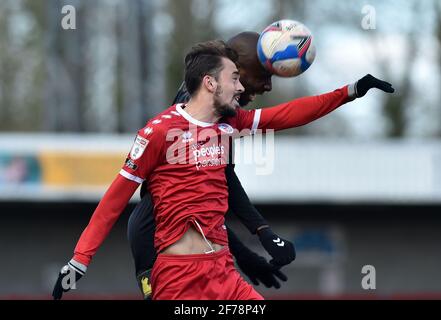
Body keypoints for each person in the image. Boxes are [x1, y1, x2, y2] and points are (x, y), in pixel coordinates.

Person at [54, 40, 393, 300]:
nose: (242, 87)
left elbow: (292, 113)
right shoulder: (157, 132)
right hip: (179, 278)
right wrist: (79, 260)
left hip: (225, 274)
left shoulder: (232, 124)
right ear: (210, 83)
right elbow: (114, 199)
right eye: (235, 78)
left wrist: (350, 91)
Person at [52, 32, 296, 301]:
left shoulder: (223, 115)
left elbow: (214, 192)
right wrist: (80, 259)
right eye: (263, 75)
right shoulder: (187, 114)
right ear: (227, 76)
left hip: (210, 262)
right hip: (154, 243)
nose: (268, 86)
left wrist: (255, 240)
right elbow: (198, 194)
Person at [129, 32, 294, 300]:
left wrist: (247, 249)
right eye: (264, 75)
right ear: (235, 70)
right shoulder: (199, 106)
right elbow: (216, 186)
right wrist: (260, 233)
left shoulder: (219, 109)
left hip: (189, 252)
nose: (268, 87)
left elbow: (211, 198)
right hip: (155, 250)